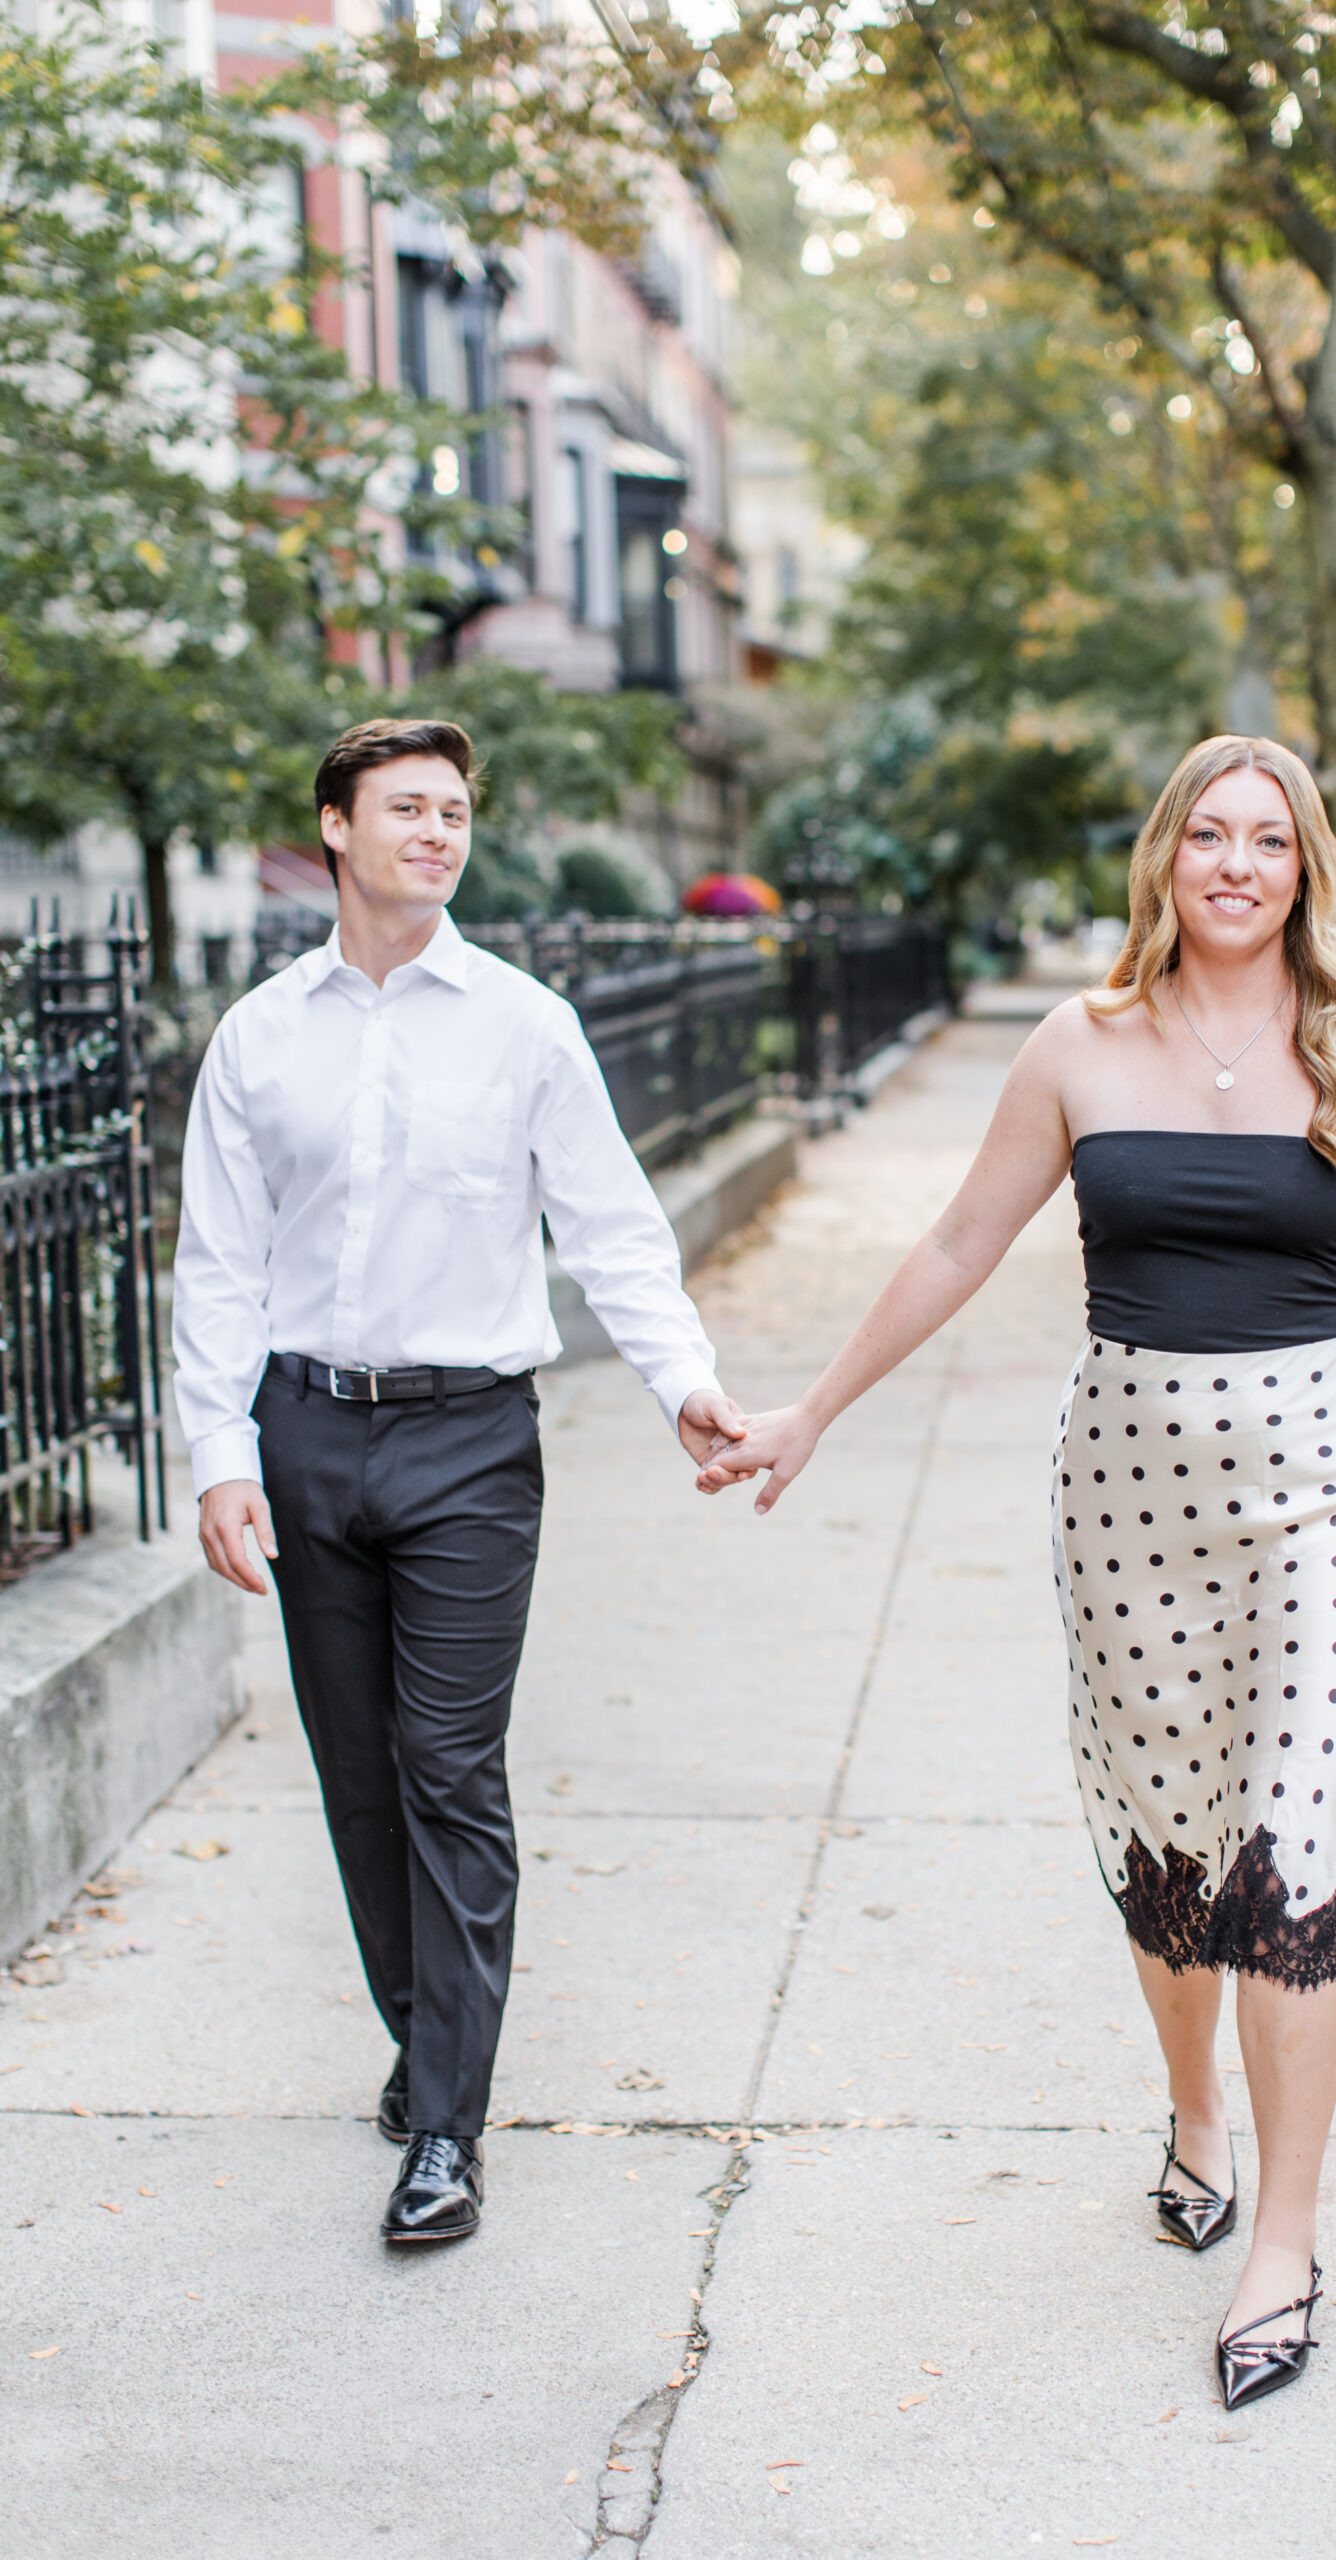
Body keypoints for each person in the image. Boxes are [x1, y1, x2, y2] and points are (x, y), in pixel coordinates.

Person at [696, 735, 1336, 2406]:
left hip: (1328, 1484)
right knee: (1169, 1845)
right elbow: (961, 1241)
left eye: (1273, 841)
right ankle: (1193, 2104)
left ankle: (1287, 2237)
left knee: (1294, 1854)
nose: (1241, 866)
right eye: (1213, 836)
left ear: (1308, 871)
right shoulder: (1080, 1043)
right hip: (1127, 1492)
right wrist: (813, 1411)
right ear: (1167, 860)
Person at [174, 717, 745, 2245]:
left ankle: (447, 2124)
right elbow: (219, 1268)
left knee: (446, 1766)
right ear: (336, 831)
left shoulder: (524, 1025)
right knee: (357, 1778)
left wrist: (682, 1379)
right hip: (305, 1432)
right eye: (407, 808)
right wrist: (222, 1455)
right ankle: (427, 2038)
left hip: (471, 1445)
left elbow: (612, 1227)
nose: (437, 831)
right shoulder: (260, 1036)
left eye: (453, 811)